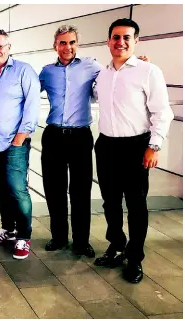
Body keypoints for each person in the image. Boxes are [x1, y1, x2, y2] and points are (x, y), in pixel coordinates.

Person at [93, 18, 173, 283]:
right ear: (108, 41)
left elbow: (162, 112)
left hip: (136, 146)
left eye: (127, 37)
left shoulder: (149, 71)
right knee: (110, 202)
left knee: (136, 205)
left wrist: (154, 145)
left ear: (136, 41)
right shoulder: (102, 74)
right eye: (116, 37)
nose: (121, 42)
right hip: (105, 145)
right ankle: (116, 246)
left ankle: (135, 258)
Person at [0, 29, 40, 260]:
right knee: (2, 188)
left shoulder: (24, 71)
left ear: (9, 47)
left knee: (17, 189)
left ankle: (23, 236)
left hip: (14, 142)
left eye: (0, 47)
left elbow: (32, 106)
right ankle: (9, 229)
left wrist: (20, 138)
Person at [39, 25, 101, 257]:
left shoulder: (91, 66)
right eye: (63, 43)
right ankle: (58, 237)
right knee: (54, 190)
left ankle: (81, 241)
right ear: (55, 45)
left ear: (78, 44)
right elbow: (26, 91)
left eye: (72, 42)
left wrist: (140, 62)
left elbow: (116, 75)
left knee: (81, 191)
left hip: (81, 137)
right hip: (54, 136)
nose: (68, 47)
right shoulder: (46, 72)